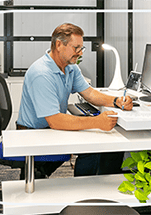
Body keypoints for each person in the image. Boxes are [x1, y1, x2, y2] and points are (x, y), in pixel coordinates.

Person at [16, 23, 133, 178]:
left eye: (81, 48)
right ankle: (85, 191)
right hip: (34, 134)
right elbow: (55, 121)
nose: (80, 53)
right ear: (59, 45)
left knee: (104, 143)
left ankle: (98, 188)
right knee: (93, 147)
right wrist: (98, 122)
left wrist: (117, 100)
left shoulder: (70, 67)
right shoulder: (41, 74)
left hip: (50, 130)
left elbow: (89, 93)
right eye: (76, 48)